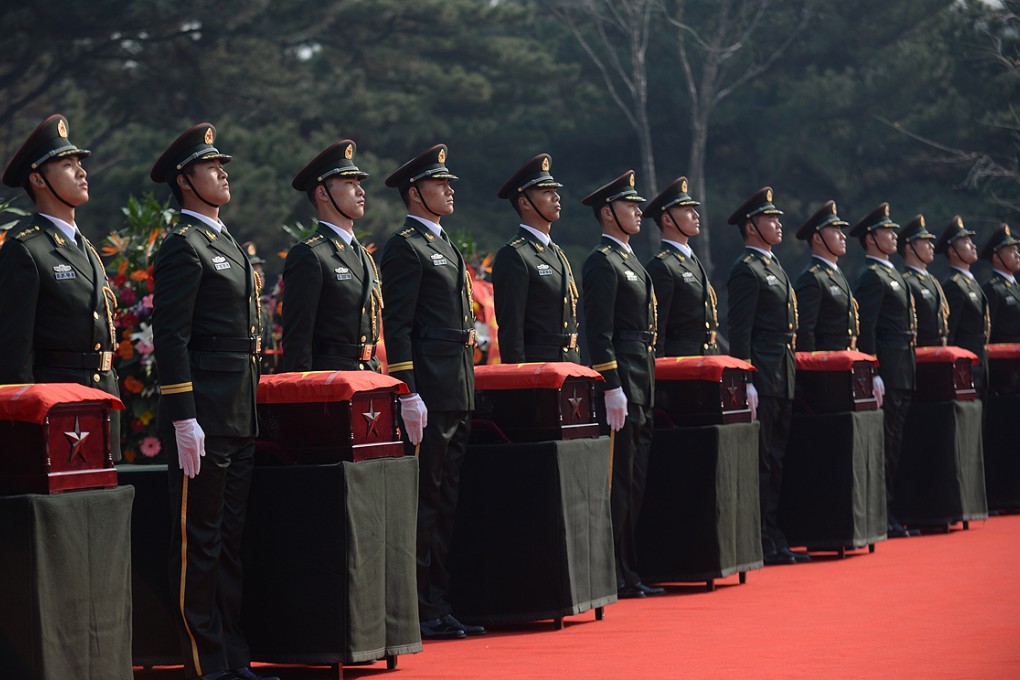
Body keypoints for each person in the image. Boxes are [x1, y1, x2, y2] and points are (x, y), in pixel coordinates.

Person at [150, 123, 276, 680]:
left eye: (223, 165)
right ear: (184, 180)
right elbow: (171, 337)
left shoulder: (224, 242)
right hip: (204, 412)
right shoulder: (183, 246)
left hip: (237, 412)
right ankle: (204, 665)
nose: (223, 173)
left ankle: (233, 659)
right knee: (197, 543)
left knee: (227, 543)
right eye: (210, 167)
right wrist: (183, 417)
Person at [379, 144, 484, 639]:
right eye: (440, 184)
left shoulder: (443, 244)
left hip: (456, 385)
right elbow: (397, 326)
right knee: (426, 502)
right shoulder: (405, 245)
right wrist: (408, 389)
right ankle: (420, 605)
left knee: (446, 500)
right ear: (414, 192)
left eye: (450, 183)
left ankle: (439, 601)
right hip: (431, 388)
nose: (449, 190)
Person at [0, 114, 122, 460]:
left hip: (100, 402)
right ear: (38, 178)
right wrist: (23, 429)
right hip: (59, 410)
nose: (82, 172)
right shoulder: (25, 249)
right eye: (67, 165)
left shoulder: (85, 248)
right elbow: (14, 355)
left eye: (79, 163)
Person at [580, 170, 663, 598]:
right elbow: (599, 330)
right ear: (607, 213)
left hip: (642, 376)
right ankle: (614, 570)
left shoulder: (630, 259)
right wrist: (611, 383)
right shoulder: (602, 261)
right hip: (623, 380)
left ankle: (631, 569)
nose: (639, 211)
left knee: (636, 479)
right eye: (630, 206)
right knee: (620, 482)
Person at [726, 187, 808, 565]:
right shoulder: (747, 269)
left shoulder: (773, 265)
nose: (778, 224)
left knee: (777, 458)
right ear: (751, 226)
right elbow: (741, 330)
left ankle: (773, 531)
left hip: (783, 372)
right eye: (770, 218)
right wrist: (746, 378)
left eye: (777, 217)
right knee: (762, 460)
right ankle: (759, 535)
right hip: (764, 369)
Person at [282, 140, 381, 372]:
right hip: (329, 381)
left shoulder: (363, 255)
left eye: (358, 182)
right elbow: (298, 340)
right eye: (349, 182)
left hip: (369, 374)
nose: (360, 190)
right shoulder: (310, 255)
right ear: (322, 193)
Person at [850, 203, 918, 540]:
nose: (894, 235)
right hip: (888, 368)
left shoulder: (891, 273)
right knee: (887, 442)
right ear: (871, 238)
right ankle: (885, 512)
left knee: (897, 442)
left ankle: (894, 509)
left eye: (893, 230)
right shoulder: (871, 277)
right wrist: (873, 369)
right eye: (887, 231)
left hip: (904, 365)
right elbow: (868, 330)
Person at [491, 153, 580, 363]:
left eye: (555, 191)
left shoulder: (556, 252)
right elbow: (512, 330)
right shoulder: (515, 255)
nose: (556, 197)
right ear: (525, 202)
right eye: (547, 192)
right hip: (538, 367)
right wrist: (518, 379)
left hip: (569, 363)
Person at [644, 176, 719, 356]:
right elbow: (657, 329)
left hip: (704, 358)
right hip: (680, 363)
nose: (696, 215)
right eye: (687, 210)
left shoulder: (690, 260)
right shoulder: (662, 266)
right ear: (668, 220)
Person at [793, 200, 858, 352]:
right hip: (826, 366)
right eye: (835, 230)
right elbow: (805, 332)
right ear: (817, 238)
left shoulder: (835, 274)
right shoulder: (812, 277)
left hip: (844, 360)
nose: (843, 236)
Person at [936, 215, 990, 396]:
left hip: (980, 363)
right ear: (952, 251)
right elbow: (950, 333)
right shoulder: (954, 285)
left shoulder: (971, 282)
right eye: (966, 242)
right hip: (965, 366)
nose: (973, 246)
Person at [898, 215, 948, 347]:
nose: (931, 246)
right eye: (925, 241)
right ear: (910, 248)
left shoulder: (932, 281)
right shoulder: (907, 282)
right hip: (921, 352)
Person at [981, 223, 1020, 344]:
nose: (1017, 255)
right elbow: (987, 330)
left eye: (1017, 250)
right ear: (997, 258)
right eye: (1011, 251)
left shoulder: (1016, 287)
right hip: (1003, 357)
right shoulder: (993, 289)